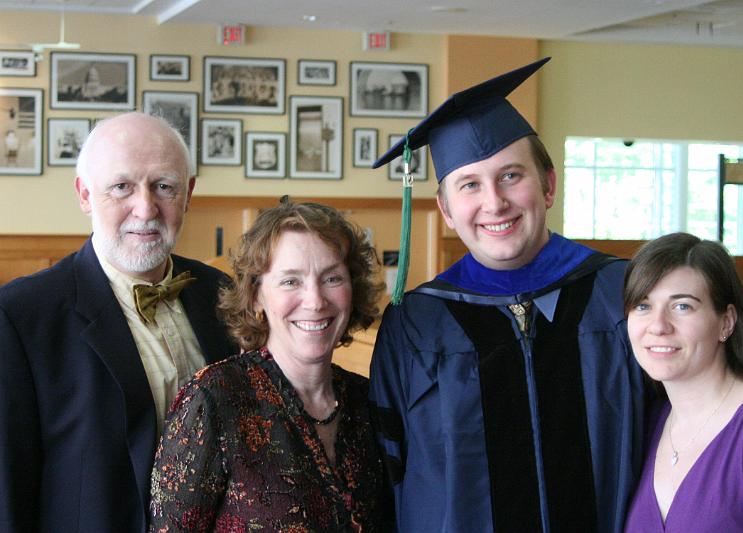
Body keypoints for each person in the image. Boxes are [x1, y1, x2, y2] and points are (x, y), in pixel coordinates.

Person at [369, 58, 647, 532]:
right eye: (469, 185)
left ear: (549, 184)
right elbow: (387, 470)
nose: (494, 202)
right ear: (446, 209)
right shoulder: (416, 323)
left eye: (511, 176)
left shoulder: (622, 295)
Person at [0, 112, 237, 532]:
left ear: (189, 194)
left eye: (164, 186)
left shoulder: (221, 293)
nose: (145, 208)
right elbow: (8, 490)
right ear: (85, 195)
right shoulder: (21, 315)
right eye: (121, 187)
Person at [149, 198, 388, 531]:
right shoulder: (213, 399)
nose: (316, 300)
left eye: (332, 278)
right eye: (291, 281)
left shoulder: (369, 401)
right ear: (257, 296)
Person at [623, 232, 743, 532]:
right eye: (643, 305)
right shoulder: (648, 421)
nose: (658, 326)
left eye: (682, 306)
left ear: (726, 322)